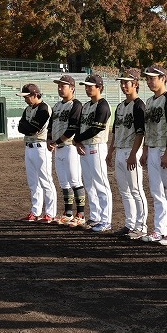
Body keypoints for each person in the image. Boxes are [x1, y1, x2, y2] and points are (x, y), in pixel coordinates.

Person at [140, 65, 167, 245]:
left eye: (153, 78)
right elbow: (148, 129)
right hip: (152, 149)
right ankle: (160, 230)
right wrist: (145, 150)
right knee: (156, 192)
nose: (149, 81)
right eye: (147, 78)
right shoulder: (150, 101)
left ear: (163, 78)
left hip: (166, 149)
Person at [106, 68, 148, 239]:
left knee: (136, 190)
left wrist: (133, 154)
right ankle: (130, 224)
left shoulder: (139, 105)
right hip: (120, 151)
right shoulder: (120, 106)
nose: (123, 86)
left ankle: (141, 226)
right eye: (122, 83)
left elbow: (140, 133)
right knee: (124, 191)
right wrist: (110, 151)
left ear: (135, 84)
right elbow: (116, 131)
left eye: (126, 83)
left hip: (132, 152)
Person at [73, 74, 113, 232]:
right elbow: (79, 125)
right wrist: (78, 141)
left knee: (101, 184)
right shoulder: (86, 106)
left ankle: (106, 220)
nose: (87, 89)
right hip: (85, 147)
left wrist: (77, 139)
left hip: (97, 146)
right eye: (86, 86)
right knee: (89, 184)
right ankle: (95, 217)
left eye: (90, 86)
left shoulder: (103, 105)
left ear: (99, 87)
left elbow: (96, 129)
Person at [47, 74, 86, 226]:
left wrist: (55, 142)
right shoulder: (57, 106)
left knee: (75, 180)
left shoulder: (76, 105)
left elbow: (72, 129)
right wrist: (49, 140)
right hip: (58, 147)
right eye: (59, 86)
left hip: (70, 146)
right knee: (63, 182)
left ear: (72, 88)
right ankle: (68, 213)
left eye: (63, 86)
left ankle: (80, 214)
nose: (60, 88)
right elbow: (51, 126)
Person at [16, 83, 57, 222]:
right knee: (33, 182)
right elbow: (21, 127)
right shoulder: (28, 109)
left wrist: (26, 127)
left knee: (46, 181)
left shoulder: (44, 108)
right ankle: (35, 212)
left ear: (35, 94)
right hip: (29, 146)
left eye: (27, 96)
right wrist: (26, 128)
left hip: (41, 147)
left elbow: (33, 128)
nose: (25, 99)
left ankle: (50, 213)